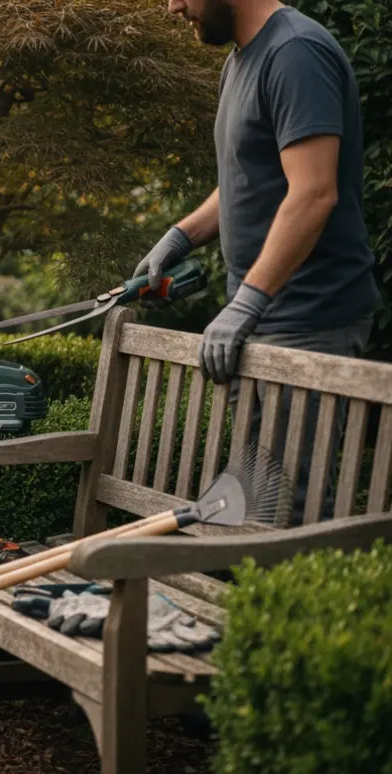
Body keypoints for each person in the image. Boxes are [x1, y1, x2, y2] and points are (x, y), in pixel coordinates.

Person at [135, 0, 379, 524]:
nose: (173, 6)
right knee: (251, 507)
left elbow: (314, 192)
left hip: (310, 322)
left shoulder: (295, 53)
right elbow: (251, 173)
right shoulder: (242, 59)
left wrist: (247, 300)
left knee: (290, 511)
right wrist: (181, 237)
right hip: (263, 323)